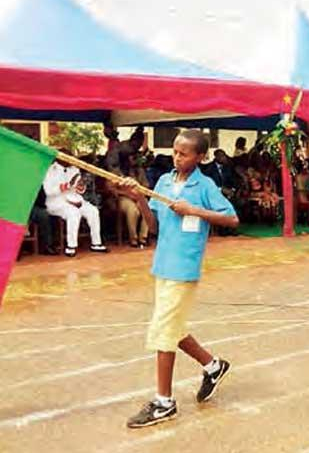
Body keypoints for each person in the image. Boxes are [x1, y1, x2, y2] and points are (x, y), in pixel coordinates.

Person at [120, 130, 239, 428]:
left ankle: (164, 402)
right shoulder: (163, 182)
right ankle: (213, 366)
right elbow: (155, 227)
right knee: (172, 327)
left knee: (163, 330)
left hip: (184, 269)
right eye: (175, 151)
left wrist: (194, 211)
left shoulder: (205, 186)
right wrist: (139, 199)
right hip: (162, 265)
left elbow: (232, 218)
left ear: (200, 157)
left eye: (184, 153)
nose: (177, 157)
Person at [42, 157, 109, 257]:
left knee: (93, 210)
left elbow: (79, 190)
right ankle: (71, 246)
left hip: (75, 199)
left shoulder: (74, 169)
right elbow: (48, 191)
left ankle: (96, 243)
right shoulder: (50, 170)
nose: (70, 160)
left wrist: (81, 187)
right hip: (56, 202)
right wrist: (68, 185)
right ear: (61, 159)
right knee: (73, 213)